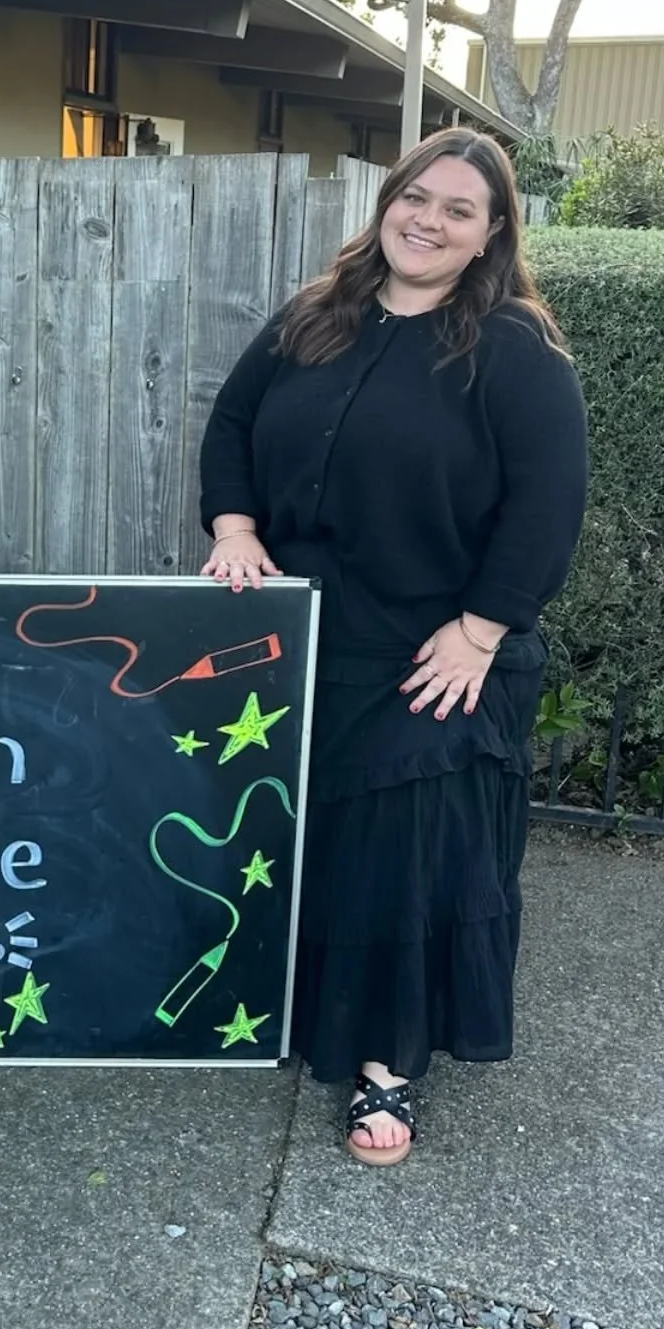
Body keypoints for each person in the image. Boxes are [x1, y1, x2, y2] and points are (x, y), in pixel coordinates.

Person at [198, 130, 587, 1166]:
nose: (429, 220)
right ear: (388, 203)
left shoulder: (513, 348)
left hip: (432, 649)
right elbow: (232, 425)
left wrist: (480, 630)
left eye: (460, 209)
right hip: (302, 638)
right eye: (416, 197)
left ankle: (389, 1066)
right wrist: (234, 528)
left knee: (401, 868)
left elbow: (549, 506)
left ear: (492, 232)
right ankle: (299, 1013)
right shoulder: (316, 317)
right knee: (307, 845)